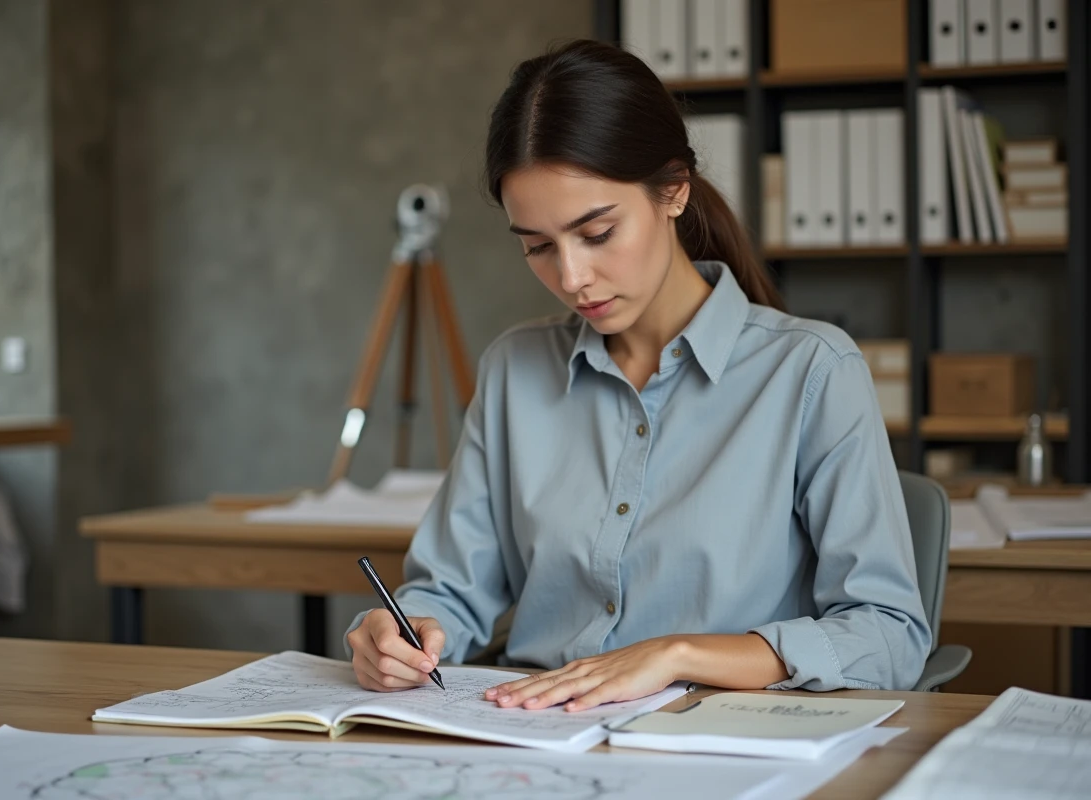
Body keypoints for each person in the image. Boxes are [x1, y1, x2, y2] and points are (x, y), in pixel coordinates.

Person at [344, 38, 929, 712]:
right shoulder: (514, 369)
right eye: (537, 246)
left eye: (596, 233)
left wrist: (675, 655)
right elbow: (446, 592)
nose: (570, 278)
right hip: (530, 740)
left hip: (723, 749)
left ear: (673, 190)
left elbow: (890, 637)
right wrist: (399, 630)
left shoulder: (812, 373)